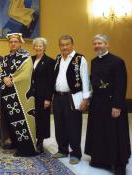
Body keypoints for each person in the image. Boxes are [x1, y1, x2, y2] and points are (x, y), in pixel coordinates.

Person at [85, 34, 130, 175]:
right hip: (98, 103)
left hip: (112, 103)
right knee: (99, 131)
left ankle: (118, 164)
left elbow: (121, 85)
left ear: (107, 44)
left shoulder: (117, 61)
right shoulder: (94, 61)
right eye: (95, 43)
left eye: (100, 43)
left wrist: (117, 106)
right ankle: (100, 159)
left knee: (113, 133)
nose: (97, 46)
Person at [0, 33, 38, 157]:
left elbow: (25, 75)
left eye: (15, 41)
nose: (13, 43)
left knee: (21, 122)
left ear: (20, 43)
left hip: (20, 96)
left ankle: (26, 148)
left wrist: (11, 80)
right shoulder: (6, 58)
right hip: (8, 96)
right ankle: (15, 143)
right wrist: (4, 79)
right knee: (12, 122)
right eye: (11, 42)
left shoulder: (26, 57)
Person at [52, 35, 90, 164]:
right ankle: (62, 150)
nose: (65, 47)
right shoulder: (58, 58)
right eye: (62, 45)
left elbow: (85, 79)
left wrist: (85, 99)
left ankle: (75, 153)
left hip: (72, 97)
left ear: (72, 45)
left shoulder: (80, 59)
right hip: (58, 97)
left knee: (73, 126)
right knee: (59, 125)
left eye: (67, 44)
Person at [31, 37, 55, 153]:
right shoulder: (30, 60)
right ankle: (32, 139)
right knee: (33, 118)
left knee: (42, 119)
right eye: (36, 46)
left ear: (44, 48)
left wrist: (48, 98)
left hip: (43, 96)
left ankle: (40, 142)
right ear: (34, 47)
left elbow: (51, 82)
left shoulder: (50, 61)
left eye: (41, 46)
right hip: (31, 96)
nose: (38, 48)